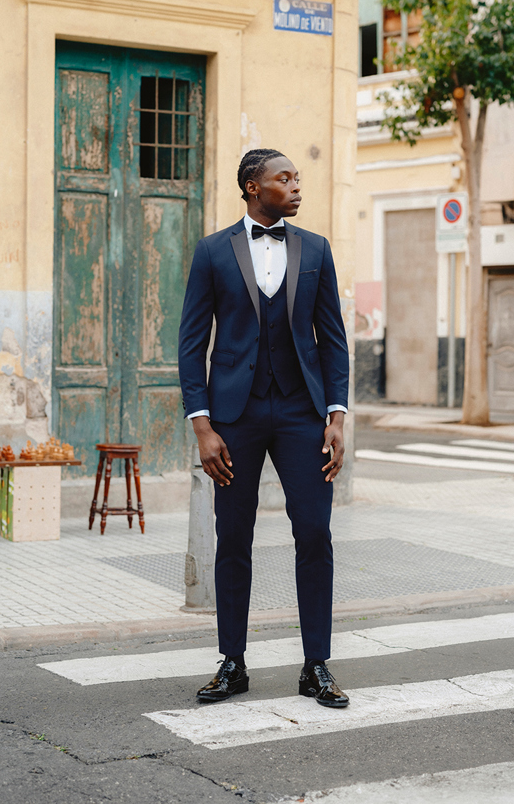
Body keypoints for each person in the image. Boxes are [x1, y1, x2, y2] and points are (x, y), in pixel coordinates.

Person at [178, 148, 350, 707]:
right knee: (234, 540)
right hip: (235, 418)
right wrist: (202, 425)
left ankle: (316, 666)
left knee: (316, 535)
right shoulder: (212, 251)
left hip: (303, 415)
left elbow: (334, 340)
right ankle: (232, 662)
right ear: (254, 187)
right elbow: (190, 343)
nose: (297, 186)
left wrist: (337, 415)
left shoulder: (316, 249)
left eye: (298, 178)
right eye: (285, 178)